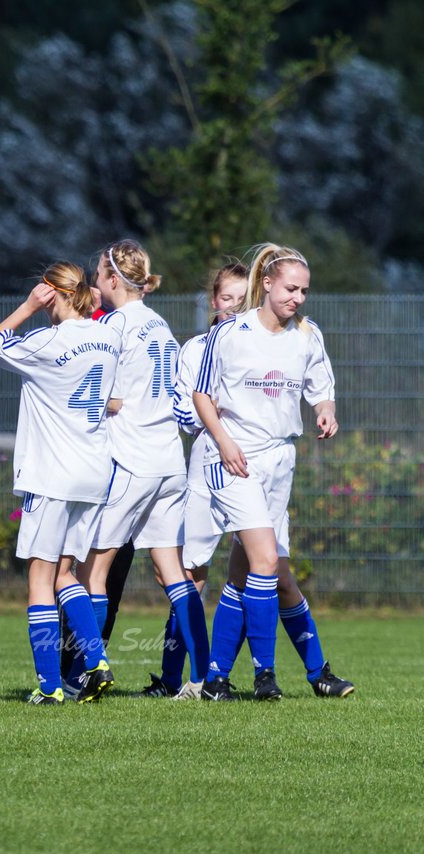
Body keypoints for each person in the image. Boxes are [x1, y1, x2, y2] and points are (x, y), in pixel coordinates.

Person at [193, 244, 352, 701]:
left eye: (304, 290)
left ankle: (217, 678)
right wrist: (224, 441)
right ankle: (266, 676)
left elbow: (321, 390)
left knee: (254, 573)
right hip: (233, 461)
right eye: (290, 288)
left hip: (280, 463)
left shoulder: (307, 335)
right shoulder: (231, 334)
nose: (298, 297)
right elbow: (202, 396)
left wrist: (326, 411)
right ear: (266, 283)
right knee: (266, 562)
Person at [0, 264, 121, 704]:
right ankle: (94, 660)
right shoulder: (108, 338)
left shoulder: (45, 341)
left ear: (51, 292)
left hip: (52, 473)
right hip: (94, 471)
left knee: (40, 579)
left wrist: (26, 307)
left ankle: (50, 687)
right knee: (66, 573)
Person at [73, 239, 209, 700]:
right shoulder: (160, 323)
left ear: (113, 279)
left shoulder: (112, 325)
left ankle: (84, 674)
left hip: (131, 459)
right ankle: (205, 678)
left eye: (97, 274)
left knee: (94, 571)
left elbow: (96, 394)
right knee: (172, 571)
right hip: (170, 459)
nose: (93, 282)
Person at [136, 262, 247, 696]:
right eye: (226, 298)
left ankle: (218, 674)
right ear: (213, 299)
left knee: (253, 570)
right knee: (189, 573)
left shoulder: (259, 346)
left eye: (242, 299)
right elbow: (183, 410)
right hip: (205, 461)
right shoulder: (195, 349)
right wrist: (210, 414)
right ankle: (173, 677)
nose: (232, 307)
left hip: (252, 463)